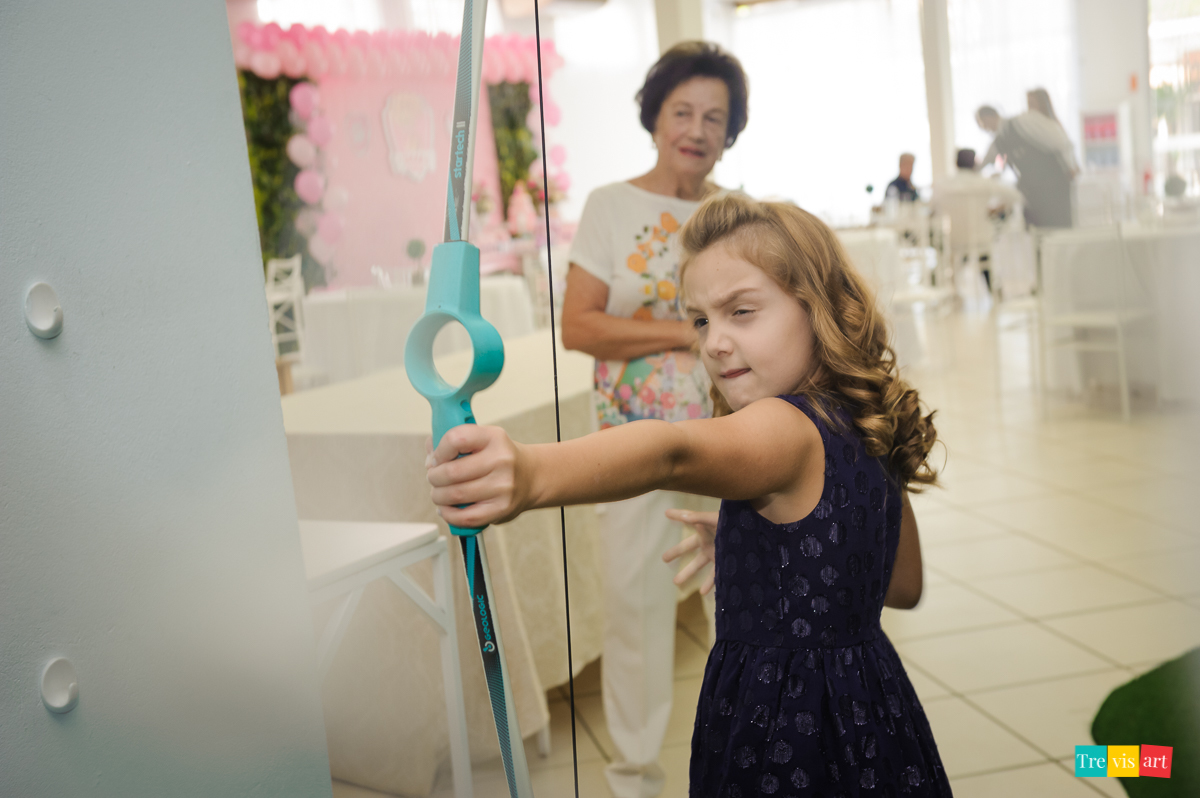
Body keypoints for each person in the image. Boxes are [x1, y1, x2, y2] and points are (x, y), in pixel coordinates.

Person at [426, 192, 951, 796]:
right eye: (702, 320)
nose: (714, 342)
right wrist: (781, 557)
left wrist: (531, 473)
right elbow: (901, 585)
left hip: (788, 726)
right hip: (870, 710)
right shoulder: (865, 419)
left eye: (742, 312)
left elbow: (668, 449)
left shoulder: (783, 426)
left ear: (821, 308)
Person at [559, 41, 750, 798]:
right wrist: (687, 330)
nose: (697, 129)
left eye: (715, 117)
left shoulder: (737, 212)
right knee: (636, 607)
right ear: (655, 117)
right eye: (683, 112)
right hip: (634, 438)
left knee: (736, 598)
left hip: (728, 432)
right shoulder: (612, 206)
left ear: (730, 130)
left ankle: (743, 760)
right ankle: (634, 775)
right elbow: (580, 326)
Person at [932, 148, 1024, 292]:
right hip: (981, 237)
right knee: (982, 249)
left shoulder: (943, 185)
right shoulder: (984, 183)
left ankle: (953, 290)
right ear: (975, 164)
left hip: (954, 239)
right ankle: (993, 289)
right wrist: (997, 208)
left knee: (961, 251)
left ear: (956, 163)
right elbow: (1016, 196)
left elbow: (934, 208)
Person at [976, 100, 1077, 228]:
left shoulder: (1022, 122)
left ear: (989, 116)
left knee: (1059, 228)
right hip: (1032, 193)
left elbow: (1059, 141)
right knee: (1037, 231)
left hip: (1053, 185)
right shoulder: (999, 141)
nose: (983, 128)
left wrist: (1071, 165)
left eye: (982, 123)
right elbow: (986, 162)